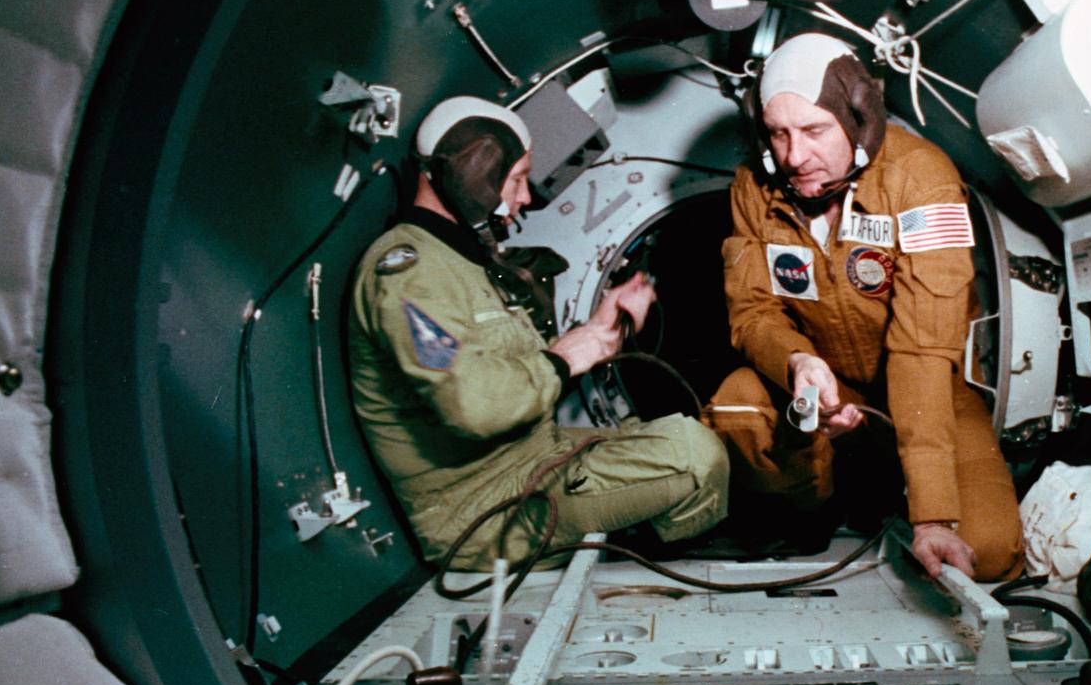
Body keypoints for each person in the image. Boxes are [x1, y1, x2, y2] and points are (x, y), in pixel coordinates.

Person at [350, 96, 728, 570]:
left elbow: (509, 372)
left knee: (679, 431)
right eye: (516, 179)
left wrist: (595, 330)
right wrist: (565, 357)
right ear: (474, 174)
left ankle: (646, 533)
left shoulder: (460, 262)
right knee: (695, 457)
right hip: (480, 512)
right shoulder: (409, 272)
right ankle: (661, 549)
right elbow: (473, 407)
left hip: (533, 461)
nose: (525, 197)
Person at [706, 34, 1024, 581]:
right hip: (826, 391)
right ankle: (814, 508)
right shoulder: (753, 189)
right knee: (737, 404)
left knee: (987, 553)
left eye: (814, 130)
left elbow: (922, 350)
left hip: (928, 394)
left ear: (858, 120)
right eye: (778, 134)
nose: (794, 156)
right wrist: (799, 364)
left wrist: (934, 517)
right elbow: (753, 313)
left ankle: (897, 499)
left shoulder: (921, 177)